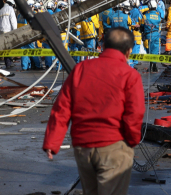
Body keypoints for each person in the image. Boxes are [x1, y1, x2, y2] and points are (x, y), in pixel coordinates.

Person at [43, 28, 144, 195]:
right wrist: (132, 141)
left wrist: (52, 143)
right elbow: (134, 113)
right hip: (114, 146)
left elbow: (62, 108)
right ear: (129, 51)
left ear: (103, 46)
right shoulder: (130, 75)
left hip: (83, 148)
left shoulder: (80, 69)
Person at [20, 1, 42, 71]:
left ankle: (25, 67)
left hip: (20, 36)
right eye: (33, 7)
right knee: (34, 51)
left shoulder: (19, 15)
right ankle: (38, 65)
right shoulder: (31, 14)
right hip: (30, 36)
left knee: (24, 52)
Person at [0, 0, 18, 68]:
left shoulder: (1, 10)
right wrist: (15, 31)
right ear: (12, 4)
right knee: (9, 47)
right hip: (8, 31)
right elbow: (13, 21)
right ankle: (9, 63)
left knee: (6, 48)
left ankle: (8, 62)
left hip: (1, 32)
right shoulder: (10, 9)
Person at [143, 0, 162, 72]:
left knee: (149, 51)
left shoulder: (145, 16)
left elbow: (142, 25)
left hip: (148, 36)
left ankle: (151, 66)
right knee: (155, 50)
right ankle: (154, 66)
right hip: (156, 35)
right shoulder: (158, 16)